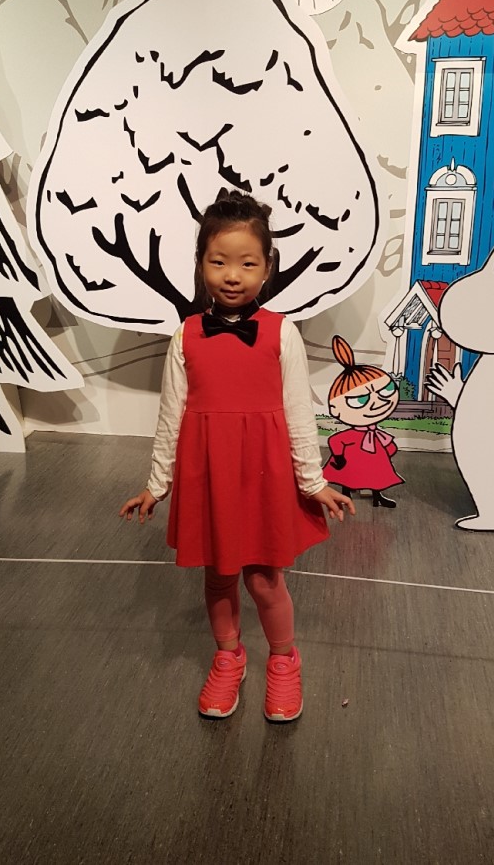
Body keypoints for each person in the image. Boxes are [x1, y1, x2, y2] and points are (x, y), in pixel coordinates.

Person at [120, 189, 354, 722]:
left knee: (264, 578)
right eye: (218, 262)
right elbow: (171, 415)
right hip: (210, 473)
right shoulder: (185, 335)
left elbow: (298, 412)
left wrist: (312, 481)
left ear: (267, 267)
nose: (232, 276)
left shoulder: (281, 332)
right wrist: (156, 484)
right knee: (219, 576)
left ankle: (284, 661)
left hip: (264, 474)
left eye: (247, 263)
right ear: (201, 263)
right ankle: (229, 657)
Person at [323, 335, 404, 508]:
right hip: (350, 461)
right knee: (347, 476)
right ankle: (346, 495)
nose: (378, 402)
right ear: (335, 409)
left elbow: (389, 446)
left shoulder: (377, 434)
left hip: (374, 460)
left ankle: (377, 497)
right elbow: (335, 440)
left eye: (386, 390)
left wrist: (389, 450)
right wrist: (339, 457)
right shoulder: (351, 435)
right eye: (360, 400)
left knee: (376, 477)